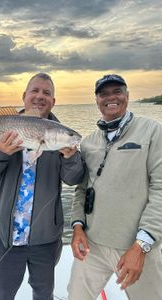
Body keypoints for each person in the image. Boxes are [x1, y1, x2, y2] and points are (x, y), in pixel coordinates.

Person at [0, 73, 85, 300]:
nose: (40, 96)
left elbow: (74, 179)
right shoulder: (3, 126)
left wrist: (70, 158)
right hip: (5, 235)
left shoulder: (60, 135)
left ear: (53, 101)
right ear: (24, 96)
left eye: (47, 93)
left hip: (45, 237)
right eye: (35, 91)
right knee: (1, 294)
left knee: (44, 293)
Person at [67, 74, 162, 300]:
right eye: (103, 93)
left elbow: (160, 189)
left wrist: (141, 246)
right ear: (97, 100)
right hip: (93, 247)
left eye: (117, 92)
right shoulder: (88, 142)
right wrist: (78, 227)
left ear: (127, 96)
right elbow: (81, 190)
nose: (111, 98)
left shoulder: (151, 130)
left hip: (138, 248)